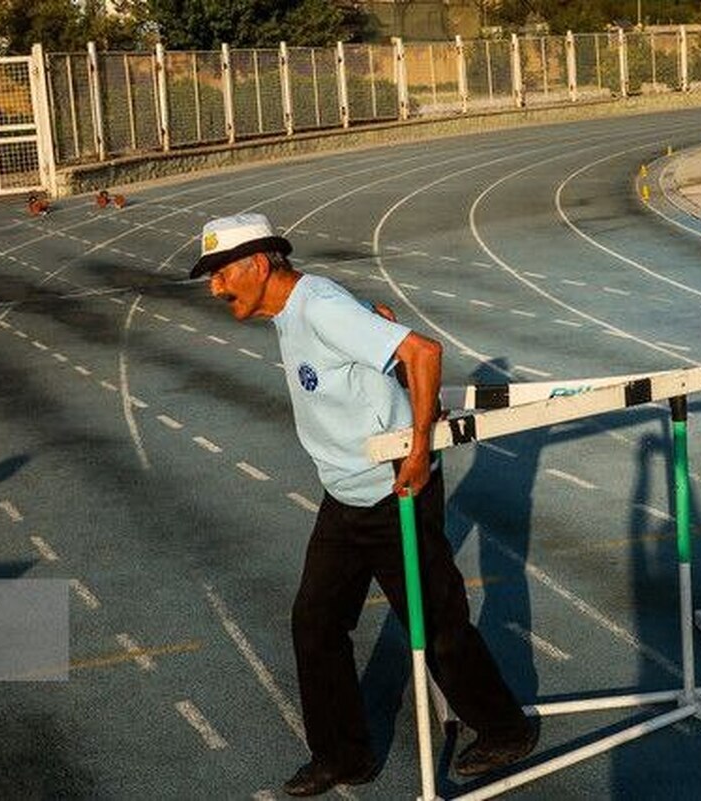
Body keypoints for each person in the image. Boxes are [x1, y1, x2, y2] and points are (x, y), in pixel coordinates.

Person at [191, 213, 537, 797]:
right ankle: (342, 756)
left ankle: (505, 729)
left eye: (222, 273)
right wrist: (377, 330)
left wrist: (418, 449)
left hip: (391, 490)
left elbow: (424, 353)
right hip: (344, 494)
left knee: (434, 624)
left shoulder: (318, 305)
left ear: (257, 264)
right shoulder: (288, 309)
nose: (215, 287)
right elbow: (381, 348)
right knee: (315, 622)